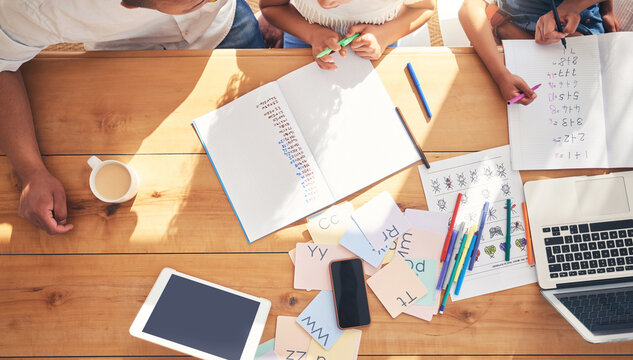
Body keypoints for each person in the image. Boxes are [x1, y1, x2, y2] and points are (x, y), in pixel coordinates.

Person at [0, 0, 265, 235]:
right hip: (126, 62)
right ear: (127, 4)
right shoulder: (27, 9)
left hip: (226, 27)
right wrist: (31, 172)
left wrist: (274, 11)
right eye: (197, 3)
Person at [458, 0, 618, 105]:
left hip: (579, 28)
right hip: (518, 21)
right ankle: (504, 26)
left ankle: (504, 27)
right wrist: (501, 76)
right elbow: (469, 8)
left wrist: (576, 7)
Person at [259, 0, 436, 70]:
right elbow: (271, 6)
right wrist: (312, 34)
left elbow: (425, 7)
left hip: (380, 37)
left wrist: (383, 36)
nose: (324, 3)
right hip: (303, 30)